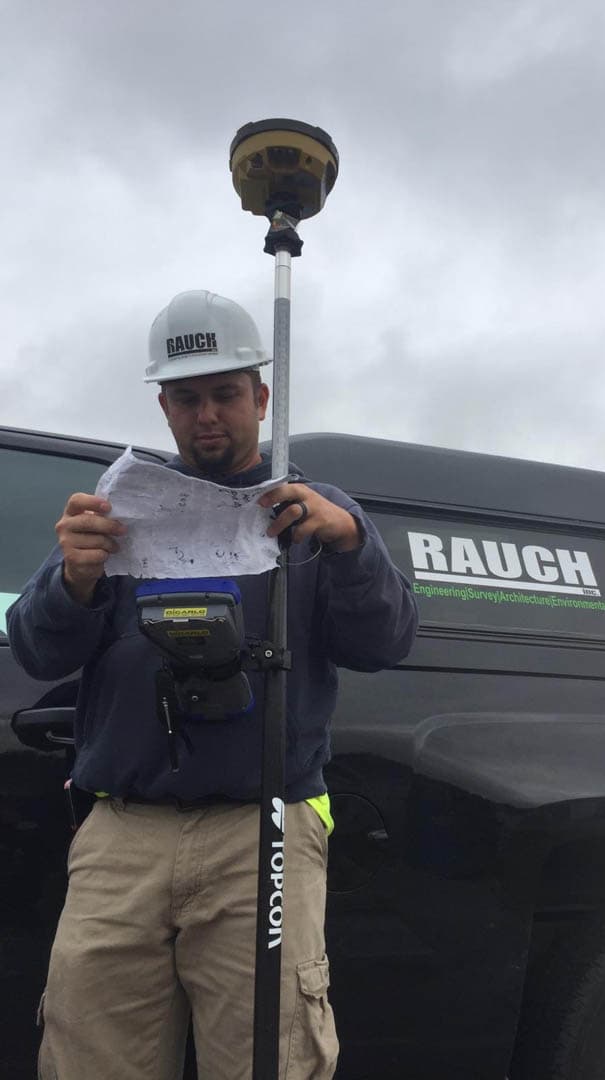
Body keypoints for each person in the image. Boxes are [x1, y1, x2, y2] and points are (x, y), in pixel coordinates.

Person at [8, 289, 418, 1080]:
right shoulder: (119, 509)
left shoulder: (316, 512)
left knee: (271, 1060)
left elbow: (389, 639)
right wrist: (74, 579)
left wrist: (354, 546)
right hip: (120, 834)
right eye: (187, 397)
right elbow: (35, 648)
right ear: (163, 406)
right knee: (88, 1055)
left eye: (226, 394)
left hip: (263, 830)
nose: (208, 415)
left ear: (262, 397)